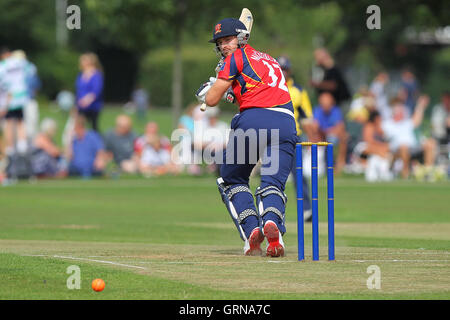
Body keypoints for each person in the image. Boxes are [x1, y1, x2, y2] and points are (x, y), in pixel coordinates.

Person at [196, 17, 297, 257]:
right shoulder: (270, 59)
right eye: (220, 43)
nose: (224, 46)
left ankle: (252, 230)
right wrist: (230, 91)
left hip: (253, 122)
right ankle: (273, 230)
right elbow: (256, 90)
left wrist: (210, 93)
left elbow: (211, 101)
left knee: (232, 178)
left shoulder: (233, 59)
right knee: (273, 182)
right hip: (285, 122)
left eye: (228, 40)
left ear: (242, 38)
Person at [277, 55, 313, 222]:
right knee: (274, 175)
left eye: (285, 69)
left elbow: (307, 117)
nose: (283, 72)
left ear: (290, 71)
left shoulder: (298, 90)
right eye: (280, 68)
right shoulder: (270, 87)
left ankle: (306, 209)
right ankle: (273, 211)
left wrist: (311, 139)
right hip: (273, 137)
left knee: (298, 174)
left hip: (293, 136)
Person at [382, 95, 436, 179]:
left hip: (413, 147)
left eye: (401, 107)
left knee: (430, 143)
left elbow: (417, 120)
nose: (400, 110)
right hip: (397, 150)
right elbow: (384, 139)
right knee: (404, 147)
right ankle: (405, 173)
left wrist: (420, 105)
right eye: (397, 108)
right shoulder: (387, 124)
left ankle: (428, 172)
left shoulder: (407, 122)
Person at [312, 92, 348, 174]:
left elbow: (340, 127)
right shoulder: (317, 111)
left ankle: (340, 164)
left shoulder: (336, 111)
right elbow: (315, 128)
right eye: (324, 103)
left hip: (332, 136)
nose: (326, 105)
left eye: (327, 103)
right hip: (321, 136)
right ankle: (320, 166)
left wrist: (327, 131)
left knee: (342, 137)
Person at [75, 52, 104, 132]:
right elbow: (78, 90)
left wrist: (87, 100)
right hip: (81, 105)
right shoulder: (81, 75)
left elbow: (97, 90)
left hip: (93, 106)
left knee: (94, 126)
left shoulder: (96, 75)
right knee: (79, 125)